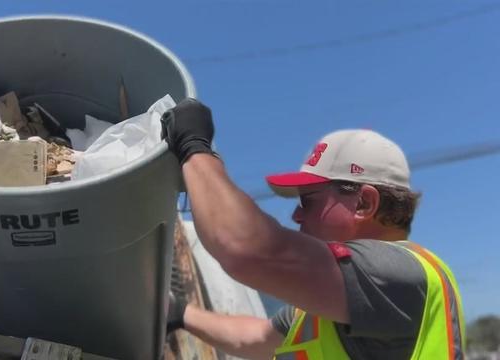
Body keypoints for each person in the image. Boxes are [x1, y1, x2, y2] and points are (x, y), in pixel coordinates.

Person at [161, 98, 465, 359]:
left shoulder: (396, 275)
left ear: (364, 204)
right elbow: (254, 337)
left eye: (308, 201)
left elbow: (246, 248)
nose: (296, 215)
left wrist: (194, 146)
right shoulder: (329, 304)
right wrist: (182, 313)